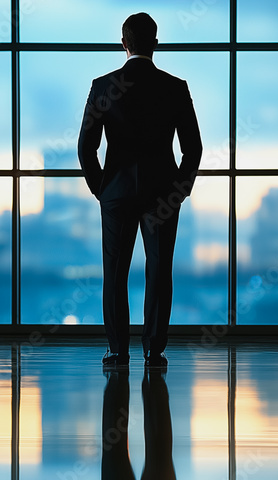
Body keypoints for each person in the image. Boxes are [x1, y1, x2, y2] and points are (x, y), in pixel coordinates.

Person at [78, 12, 203, 367]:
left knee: (115, 271)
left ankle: (117, 349)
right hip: (162, 192)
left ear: (124, 43)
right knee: (160, 269)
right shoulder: (175, 87)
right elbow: (193, 148)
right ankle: (154, 350)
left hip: (115, 192)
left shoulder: (103, 86)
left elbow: (86, 147)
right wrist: (179, 189)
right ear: (156, 44)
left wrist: (101, 188)